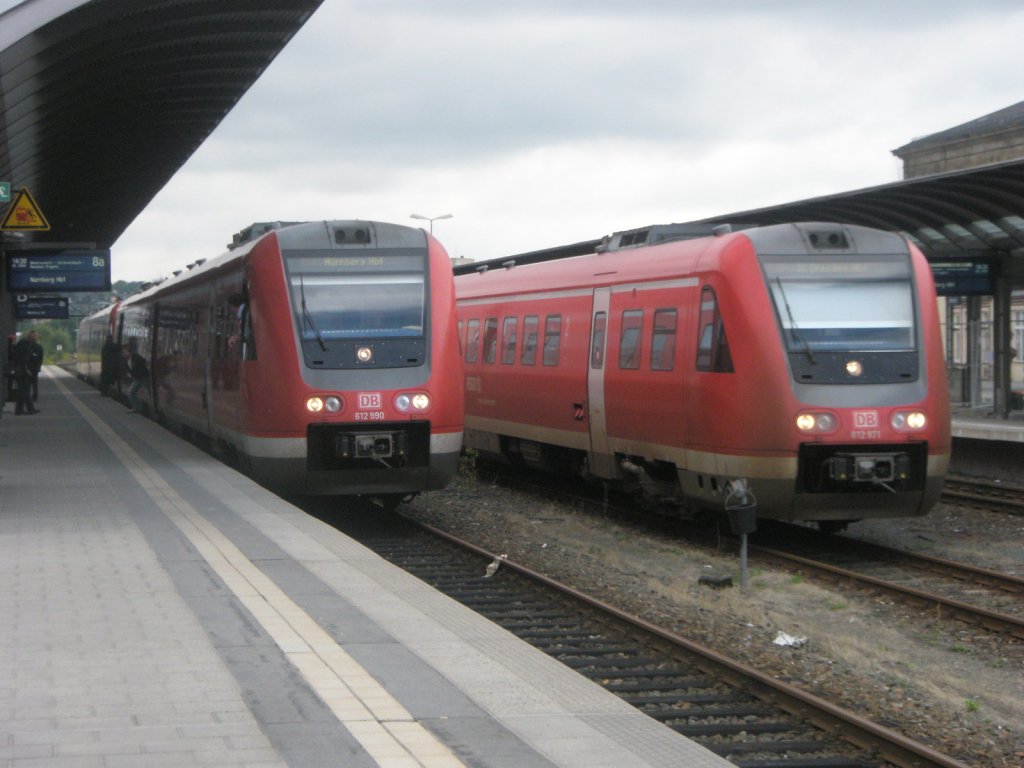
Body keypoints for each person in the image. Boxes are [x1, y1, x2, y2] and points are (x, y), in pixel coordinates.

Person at [11, 332, 40, 415]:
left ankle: (25, 409)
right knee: (23, 390)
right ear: (31, 337)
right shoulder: (24, 344)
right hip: (21, 371)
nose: (36, 338)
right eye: (35, 336)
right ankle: (22, 410)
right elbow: (23, 358)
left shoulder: (26, 344)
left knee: (24, 391)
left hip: (23, 370)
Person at [122, 344, 150, 413]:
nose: (123, 354)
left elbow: (143, 364)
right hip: (137, 379)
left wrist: (136, 372)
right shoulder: (125, 361)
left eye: (125, 352)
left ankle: (145, 408)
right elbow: (127, 369)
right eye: (123, 352)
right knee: (130, 393)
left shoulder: (137, 358)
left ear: (129, 352)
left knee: (146, 394)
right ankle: (136, 408)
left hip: (144, 378)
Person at [26, 330, 44, 403]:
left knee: (29, 384)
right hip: (32, 368)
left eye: (35, 336)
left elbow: (40, 358)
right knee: (33, 383)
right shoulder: (38, 347)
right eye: (34, 336)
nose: (35, 337)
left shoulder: (36, 346)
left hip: (30, 368)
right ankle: (33, 397)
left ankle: (30, 397)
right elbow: (40, 358)